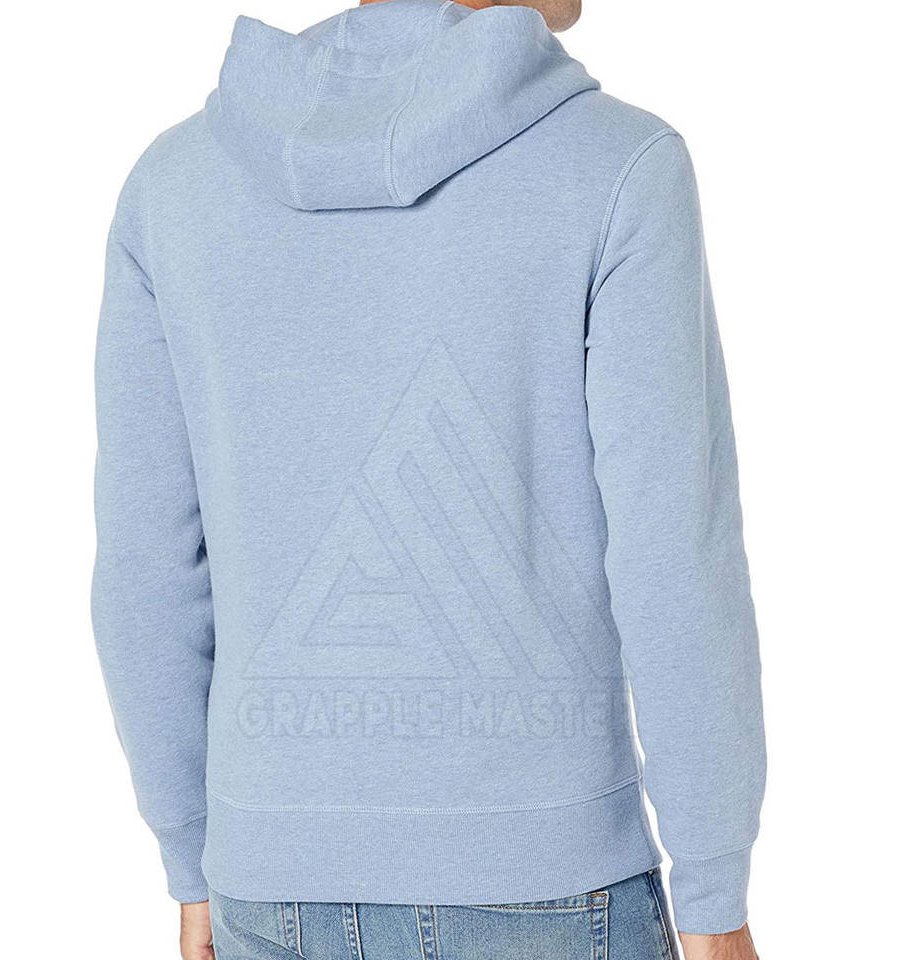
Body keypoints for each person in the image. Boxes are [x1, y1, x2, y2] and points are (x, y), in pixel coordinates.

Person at [92, 1, 766, 957]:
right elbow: (674, 555)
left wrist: (190, 853)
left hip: (269, 886)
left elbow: (146, 569)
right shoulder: (618, 165)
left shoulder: (173, 187)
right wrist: (714, 893)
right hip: (549, 880)